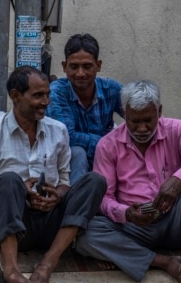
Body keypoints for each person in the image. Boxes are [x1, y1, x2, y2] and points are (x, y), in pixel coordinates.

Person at [0, 65, 106, 283]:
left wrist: (58, 196)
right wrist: (23, 190)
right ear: (16, 96)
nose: (45, 101)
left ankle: (47, 265)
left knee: (94, 181)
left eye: (47, 95)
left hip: (49, 224)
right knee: (10, 179)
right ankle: (12, 272)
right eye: (37, 96)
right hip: (11, 225)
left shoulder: (58, 130)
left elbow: (65, 181)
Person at [75, 80, 181, 283]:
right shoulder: (108, 144)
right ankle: (162, 262)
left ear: (159, 112)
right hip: (134, 228)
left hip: (174, 221)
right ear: (124, 113)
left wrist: (178, 180)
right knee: (86, 236)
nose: (142, 129)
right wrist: (126, 213)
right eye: (134, 121)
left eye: (148, 121)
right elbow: (104, 198)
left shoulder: (178, 129)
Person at [46, 33, 123, 184]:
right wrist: (111, 144)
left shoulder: (111, 89)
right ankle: (77, 203)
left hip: (106, 160)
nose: (80, 73)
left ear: (98, 65)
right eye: (74, 67)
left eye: (87, 66)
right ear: (64, 67)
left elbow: (138, 116)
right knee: (77, 152)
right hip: (66, 167)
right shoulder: (57, 92)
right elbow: (68, 137)